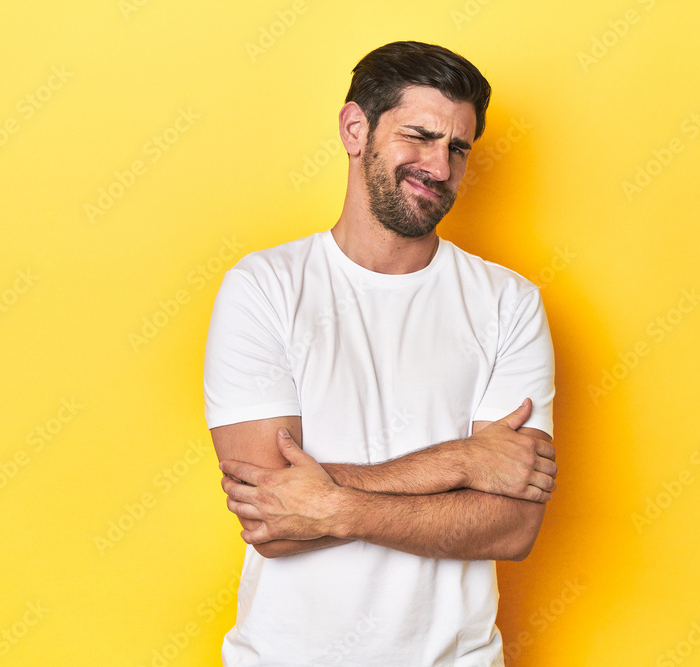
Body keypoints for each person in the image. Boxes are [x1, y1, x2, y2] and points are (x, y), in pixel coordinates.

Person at [203, 40, 557, 666]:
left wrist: (330, 505)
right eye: (419, 136)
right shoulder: (264, 287)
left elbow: (511, 528)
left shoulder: (510, 303)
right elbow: (272, 521)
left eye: (458, 148)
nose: (439, 167)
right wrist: (462, 461)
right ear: (355, 129)